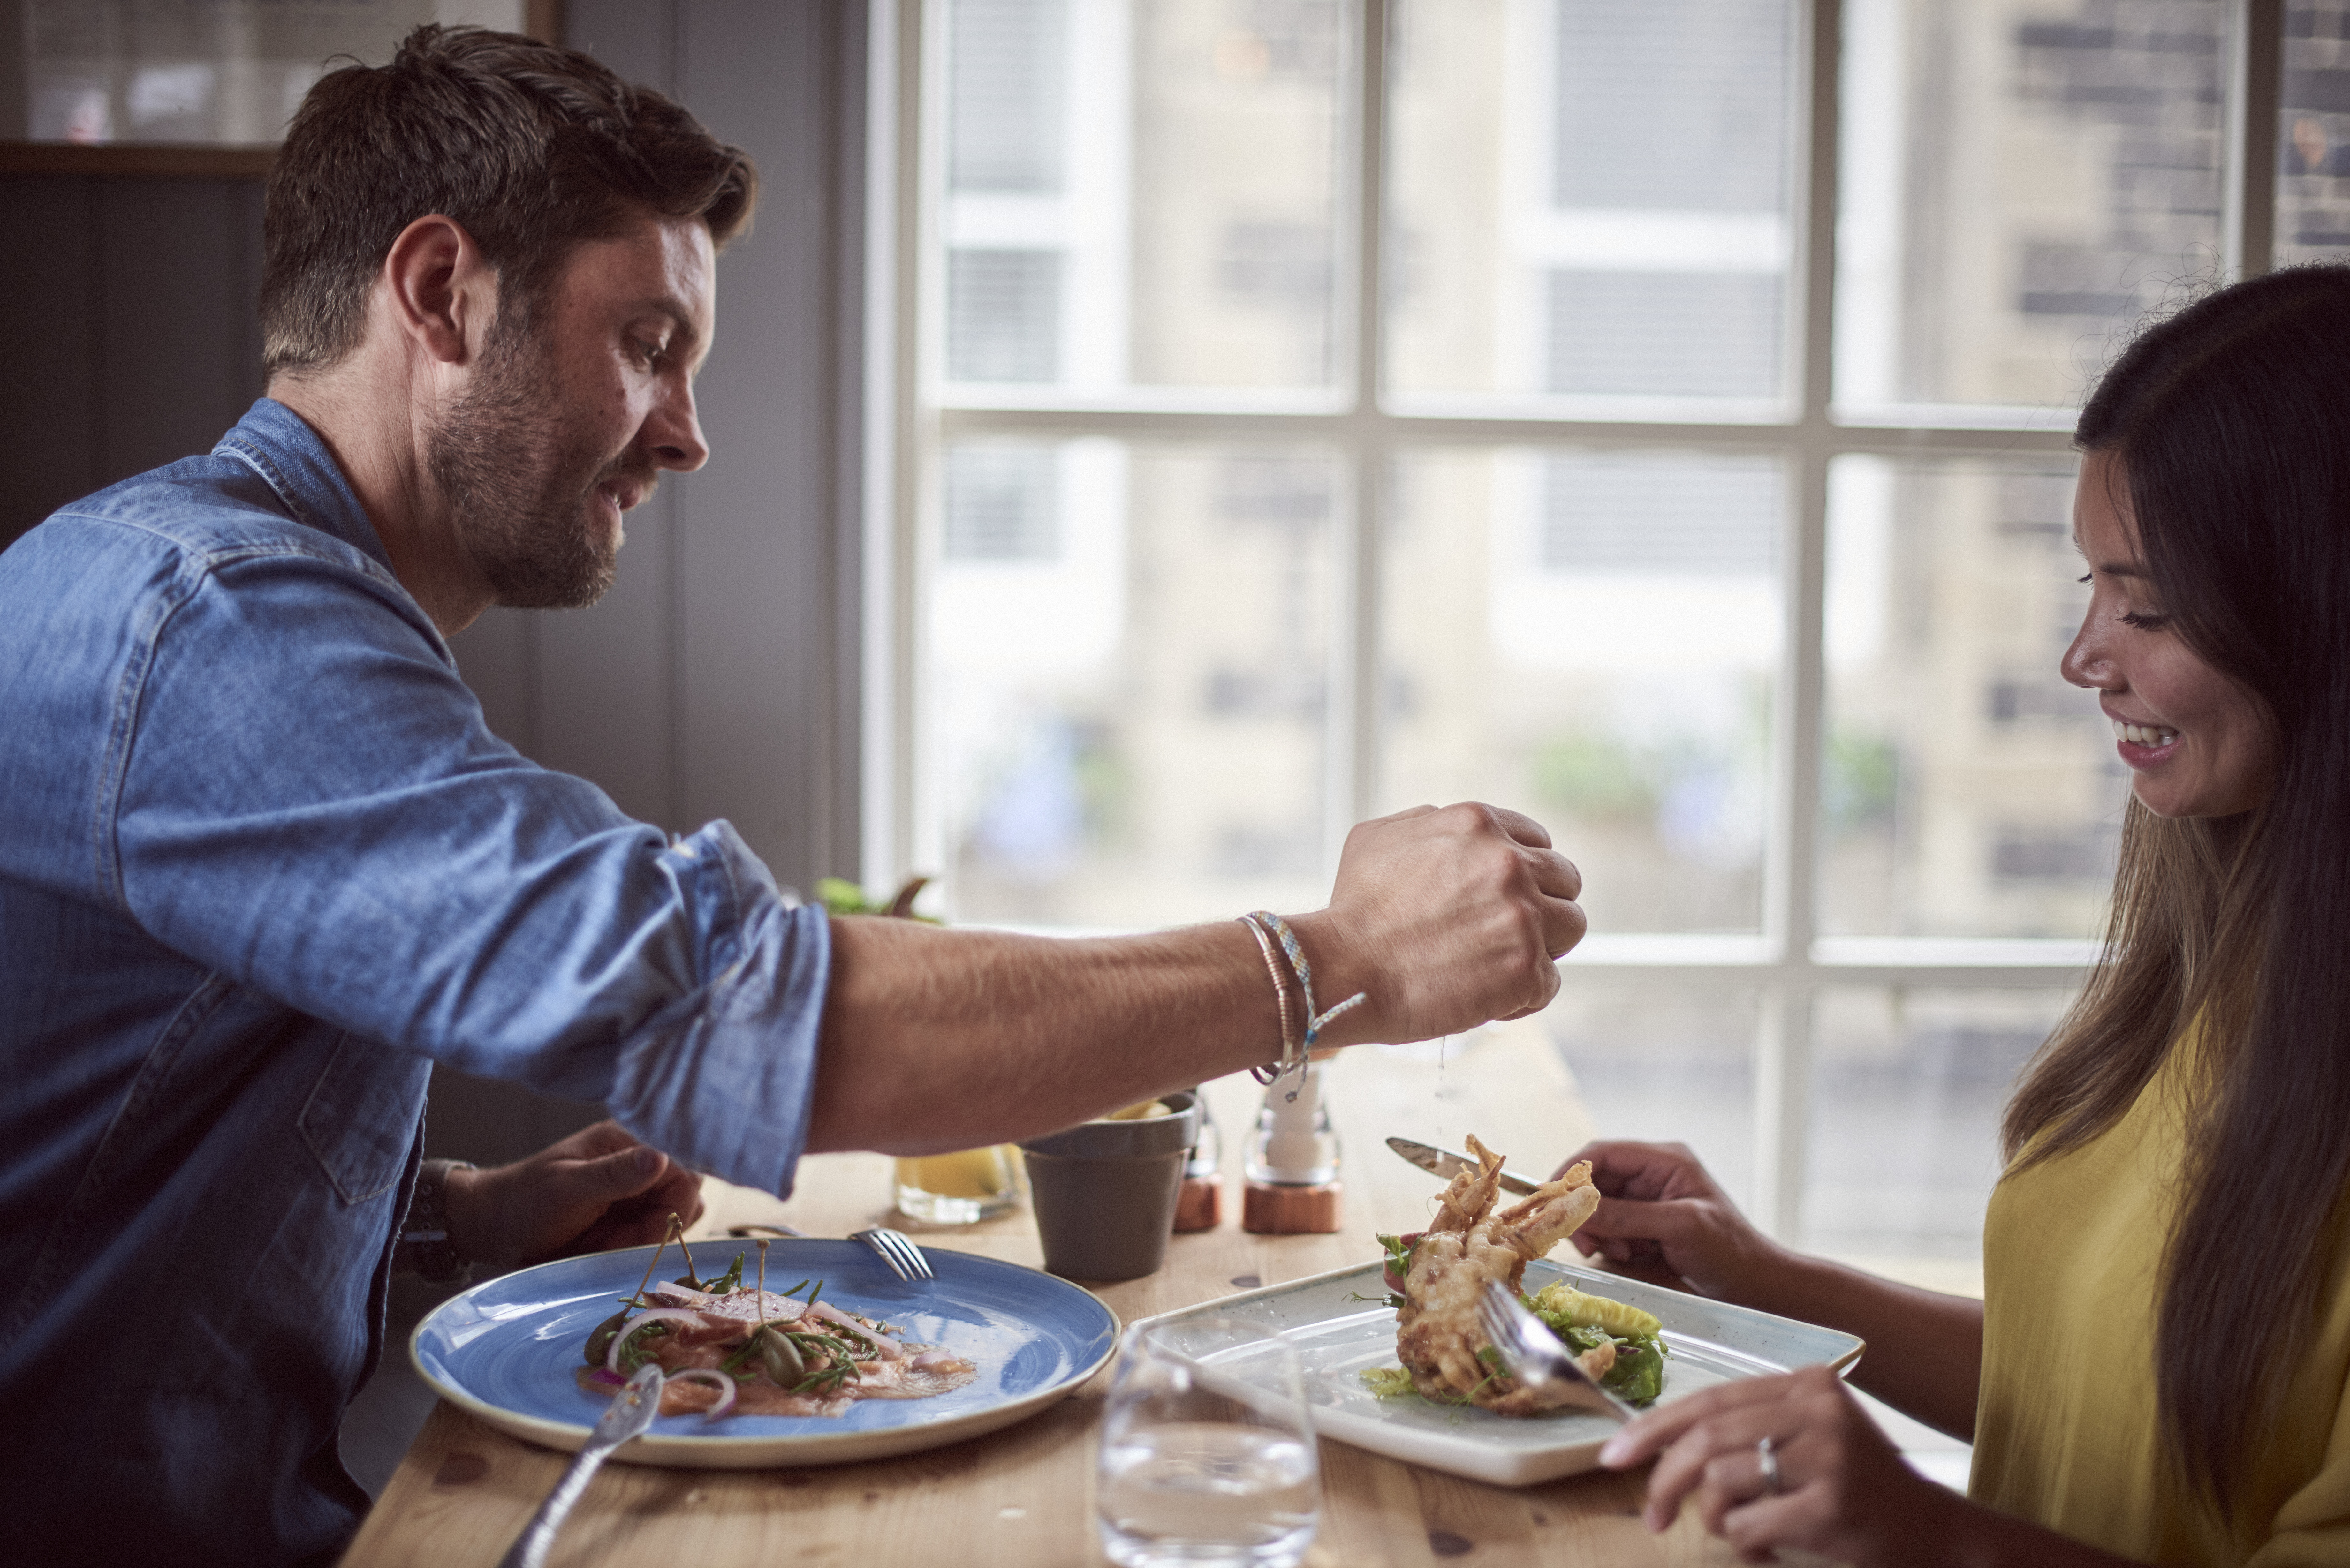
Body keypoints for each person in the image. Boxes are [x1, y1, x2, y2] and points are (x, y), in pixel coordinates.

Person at [0, 27, 1584, 1567]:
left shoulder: (227, 603)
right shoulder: (218, 630)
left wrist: (459, 1226)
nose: (687, 435)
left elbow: (96, 1171)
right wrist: (1333, 960)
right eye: (648, 345)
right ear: (440, 295)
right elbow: (740, 1006)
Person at [1569, 265, 2350, 1566]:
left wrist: (1930, 1535)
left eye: (2144, 602)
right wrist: (1756, 1279)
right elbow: (2103, 1400)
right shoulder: (2236, 945)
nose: (2083, 656)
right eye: (2090, 584)